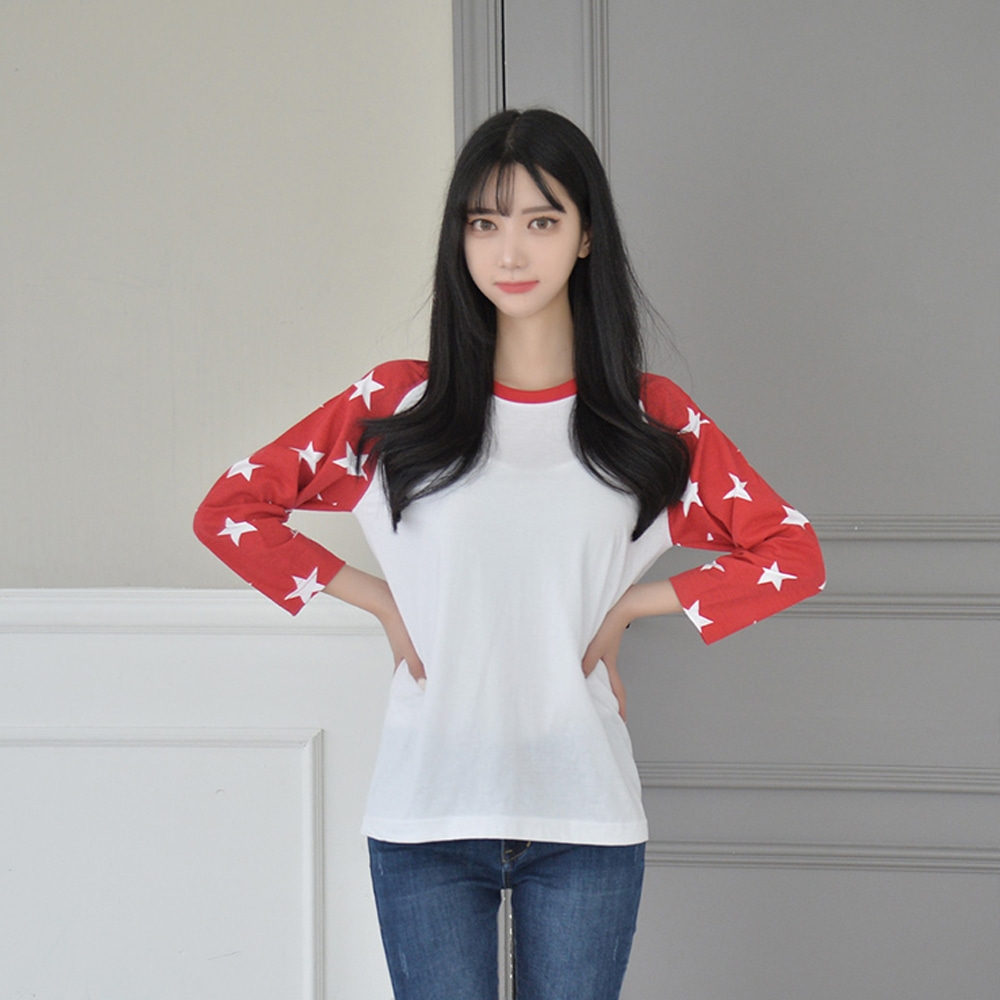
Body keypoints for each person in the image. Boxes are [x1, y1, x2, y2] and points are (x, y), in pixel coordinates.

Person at [194, 108, 825, 1000]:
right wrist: (380, 598)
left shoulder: (648, 420)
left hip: (585, 817)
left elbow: (791, 553)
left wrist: (630, 606)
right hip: (426, 813)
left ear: (586, 236)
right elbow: (231, 511)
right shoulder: (399, 407)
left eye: (541, 220)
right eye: (484, 224)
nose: (511, 251)